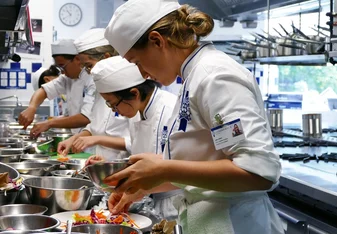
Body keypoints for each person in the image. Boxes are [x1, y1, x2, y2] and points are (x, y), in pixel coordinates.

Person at [102, 0, 284, 233]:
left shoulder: (215, 75)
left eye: (137, 62)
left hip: (236, 223)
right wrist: (143, 186)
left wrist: (163, 169)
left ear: (158, 41)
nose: (142, 74)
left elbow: (258, 172)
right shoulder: (193, 77)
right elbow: (206, 164)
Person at [90, 56, 181, 221]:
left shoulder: (171, 109)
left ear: (134, 93)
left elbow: (183, 165)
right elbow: (139, 151)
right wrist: (108, 166)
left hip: (174, 203)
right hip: (144, 197)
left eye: (113, 104)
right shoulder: (136, 110)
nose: (114, 111)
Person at [57, 28, 130, 159]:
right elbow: (96, 124)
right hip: (102, 163)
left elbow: (134, 142)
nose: (89, 71)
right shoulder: (100, 87)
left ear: (107, 57)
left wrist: (97, 139)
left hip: (123, 163)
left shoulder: (129, 88)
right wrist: (74, 138)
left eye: (89, 65)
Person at [18, 39, 96, 136]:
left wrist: (49, 123)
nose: (62, 72)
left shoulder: (92, 80)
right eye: (59, 68)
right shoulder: (67, 78)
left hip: (91, 141)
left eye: (63, 66)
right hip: (77, 139)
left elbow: (86, 118)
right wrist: (32, 107)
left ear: (77, 59)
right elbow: (43, 90)